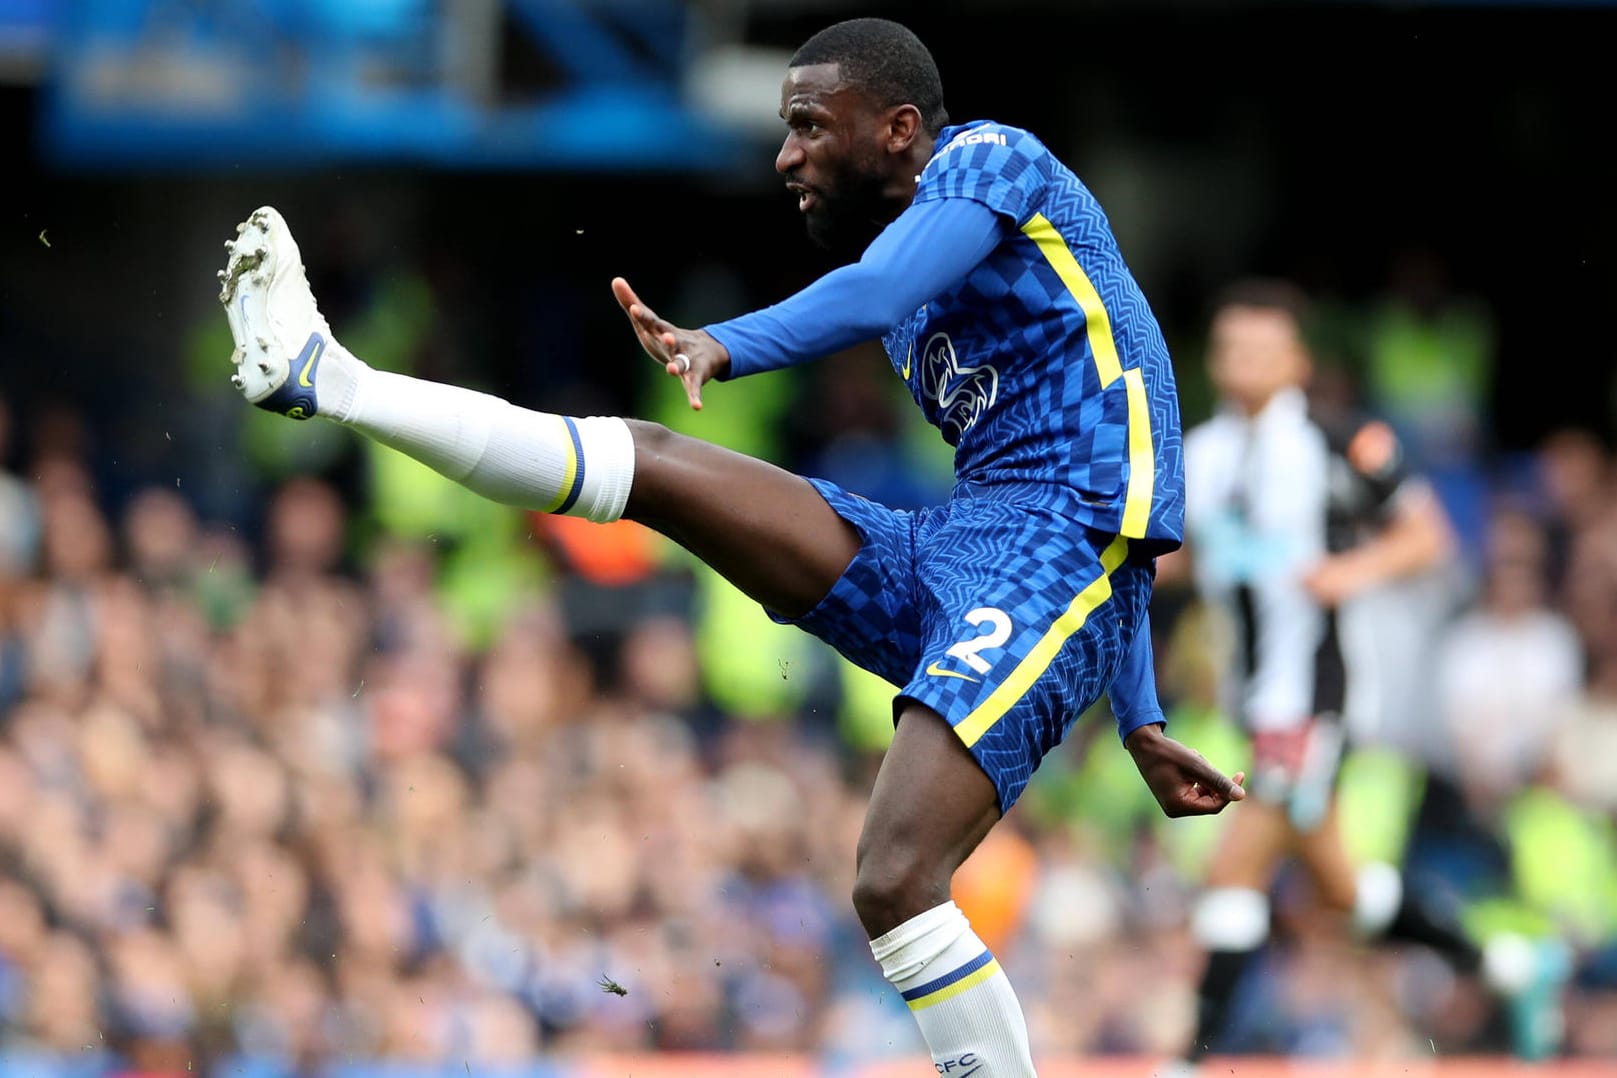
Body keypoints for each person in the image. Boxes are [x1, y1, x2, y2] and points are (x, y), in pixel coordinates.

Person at [218, 18, 1245, 1074]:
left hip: (1041, 546)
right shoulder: (906, 297)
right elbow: (1114, 533)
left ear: (899, 129)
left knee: (895, 877)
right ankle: (331, 379)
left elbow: (1093, 523)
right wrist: (1140, 717)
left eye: (809, 125)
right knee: (655, 465)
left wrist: (725, 343)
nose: (784, 154)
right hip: (967, 544)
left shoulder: (994, 160)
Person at [1162, 279, 1567, 1071]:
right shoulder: (1202, 453)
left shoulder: (1335, 443)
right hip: (1251, 699)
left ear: (1296, 361)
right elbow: (1196, 557)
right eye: (1229, 347)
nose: (1241, 361)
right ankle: (1512, 967)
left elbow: (1428, 537)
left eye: (1260, 347)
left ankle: (1190, 1055)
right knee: (1340, 890)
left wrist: (1348, 574)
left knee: (1235, 863)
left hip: (1315, 694)